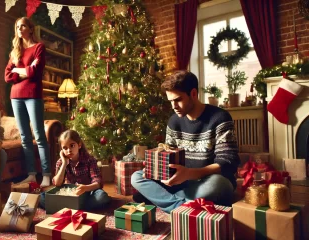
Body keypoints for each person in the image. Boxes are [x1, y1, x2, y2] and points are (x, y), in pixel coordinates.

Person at [131, 70, 240, 213]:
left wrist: (189, 173)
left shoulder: (219, 118)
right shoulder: (174, 121)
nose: (173, 106)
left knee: (217, 184)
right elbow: (170, 156)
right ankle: (184, 206)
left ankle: (168, 201)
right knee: (137, 177)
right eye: (170, 101)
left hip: (208, 181)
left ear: (193, 94)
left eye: (178, 100)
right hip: (182, 182)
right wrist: (155, 168)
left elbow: (228, 162)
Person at [4, 17, 51, 187]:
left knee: (39, 135)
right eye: (17, 26)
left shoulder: (39, 47)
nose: (19, 28)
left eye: (23, 25)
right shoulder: (15, 52)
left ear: (31, 29)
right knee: (24, 137)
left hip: (33, 95)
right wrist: (23, 70)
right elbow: (7, 76)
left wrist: (18, 69)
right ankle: (31, 174)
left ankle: (46, 174)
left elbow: (36, 71)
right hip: (15, 97)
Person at [39, 130, 111, 210]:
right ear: (61, 150)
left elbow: (98, 182)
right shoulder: (61, 162)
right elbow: (57, 183)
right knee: (41, 197)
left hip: (87, 192)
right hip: (69, 194)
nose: (69, 150)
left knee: (102, 197)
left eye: (72, 146)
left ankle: (69, 207)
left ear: (79, 145)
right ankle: (75, 206)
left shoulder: (89, 160)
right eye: (65, 148)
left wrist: (85, 188)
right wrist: (64, 164)